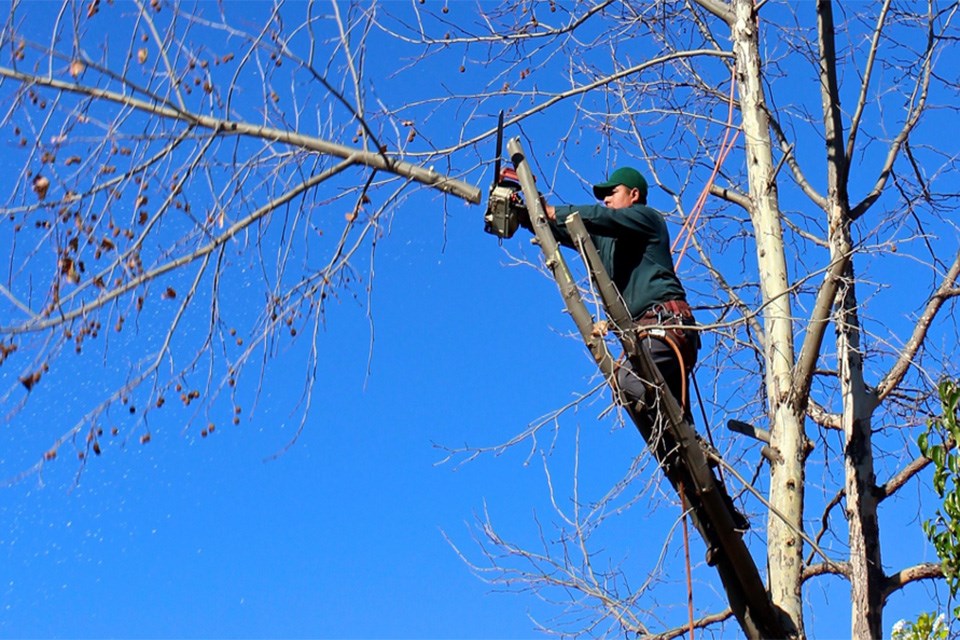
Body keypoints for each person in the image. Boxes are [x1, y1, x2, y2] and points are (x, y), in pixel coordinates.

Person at [536, 166, 699, 429]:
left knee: (629, 382)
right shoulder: (606, 239)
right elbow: (565, 230)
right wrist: (526, 213)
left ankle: (682, 437)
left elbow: (598, 217)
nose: (606, 200)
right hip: (645, 335)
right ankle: (689, 449)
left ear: (634, 194)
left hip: (666, 325)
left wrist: (556, 211)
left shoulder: (647, 219)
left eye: (612, 193)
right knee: (669, 425)